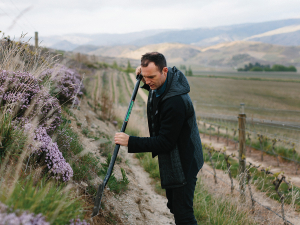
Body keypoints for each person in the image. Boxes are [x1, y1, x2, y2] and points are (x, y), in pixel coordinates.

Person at [114, 52, 203, 225]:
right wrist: (144, 73)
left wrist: (130, 141)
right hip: (174, 156)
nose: (147, 82)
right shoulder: (163, 83)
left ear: (164, 71)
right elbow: (154, 85)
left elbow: (165, 142)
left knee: (183, 213)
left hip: (184, 160)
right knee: (174, 206)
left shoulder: (175, 101)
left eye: (151, 77)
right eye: (144, 77)